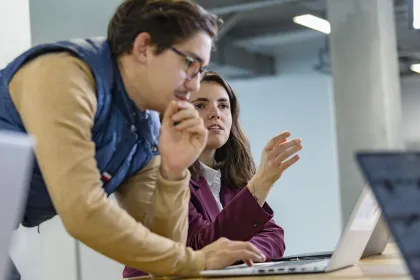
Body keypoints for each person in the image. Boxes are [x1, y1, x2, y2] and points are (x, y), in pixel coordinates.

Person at [0, 1, 267, 279]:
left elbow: (163, 247)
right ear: (144, 48)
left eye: (200, 70)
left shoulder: (144, 126)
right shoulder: (64, 76)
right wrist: (193, 260)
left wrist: (173, 173)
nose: (195, 84)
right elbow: (83, 212)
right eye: (190, 63)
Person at [123, 71, 303, 278]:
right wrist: (261, 182)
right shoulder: (160, 175)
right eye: (200, 105)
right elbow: (200, 247)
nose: (215, 113)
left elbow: (273, 235)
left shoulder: (231, 178)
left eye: (223, 105)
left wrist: (241, 255)